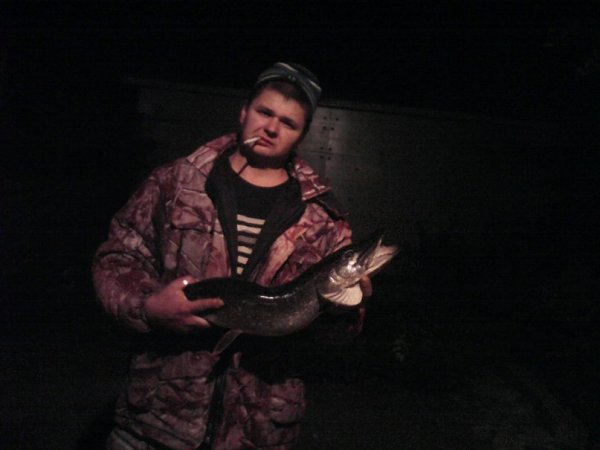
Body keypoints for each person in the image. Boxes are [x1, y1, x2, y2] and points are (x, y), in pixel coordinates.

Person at [93, 62, 372, 450]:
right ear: (244, 112)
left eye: (288, 123)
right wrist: (148, 307)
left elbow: (333, 337)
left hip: (256, 433)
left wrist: (344, 312)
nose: (271, 128)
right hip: (155, 421)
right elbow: (118, 258)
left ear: (302, 135)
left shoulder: (323, 217)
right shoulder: (176, 181)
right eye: (264, 112)